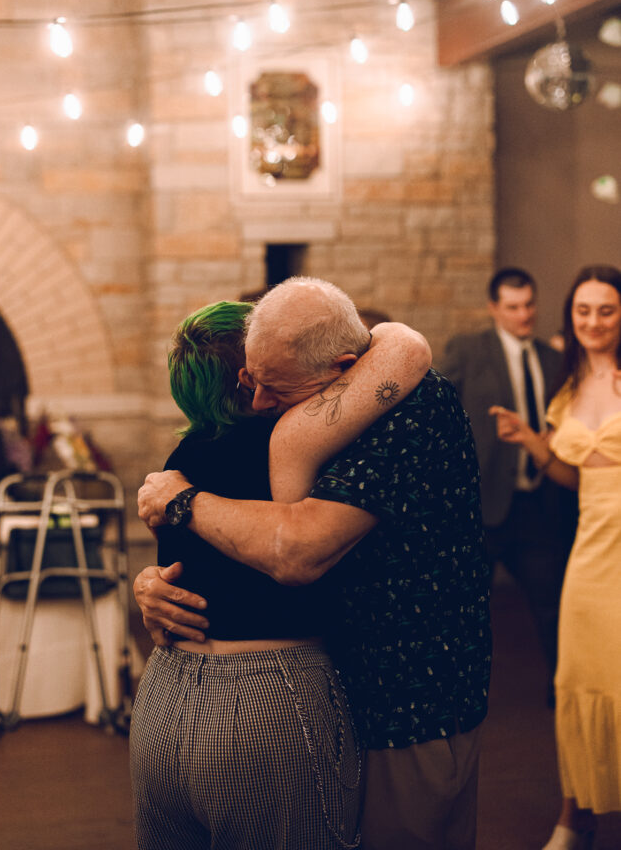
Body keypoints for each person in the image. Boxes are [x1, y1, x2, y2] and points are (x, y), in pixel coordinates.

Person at [137, 277, 492, 850]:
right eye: (251, 382)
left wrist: (183, 501)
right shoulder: (313, 419)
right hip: (343, 698)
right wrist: (153, 583)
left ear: (343, 368)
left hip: (408, 707)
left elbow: (297, 550)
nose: (261, 402)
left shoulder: (409, 408)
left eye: (274, 385)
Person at [489, 264, 621, 850]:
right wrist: (531, 442)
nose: (593, 321)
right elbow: (575, 476)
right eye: (583, 310)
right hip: (590, 553)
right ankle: (576, 816)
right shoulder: (567, 387)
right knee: (577, 678)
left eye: (606, 310)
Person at [440, 267, 576, 699]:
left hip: (536, 501)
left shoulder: (553, 358)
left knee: (552, 600)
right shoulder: (468, 349)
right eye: (513, 307)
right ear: (494, 308)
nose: (524, 314)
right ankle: (457, 694)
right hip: (482, 504)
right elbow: (440, 412)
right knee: (466, 609)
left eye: (529, 305)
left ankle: (564, 690)